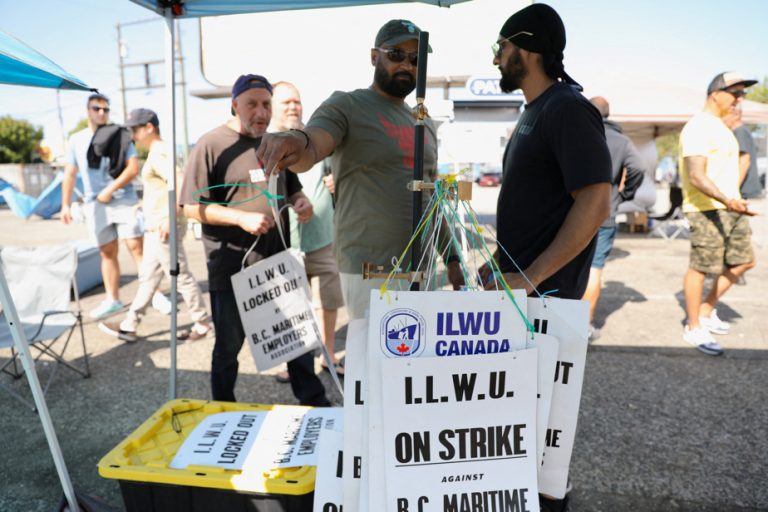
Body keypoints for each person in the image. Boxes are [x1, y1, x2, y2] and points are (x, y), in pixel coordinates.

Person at [481, 5, 612, 511]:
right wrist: (500, 265)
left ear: (527, 49)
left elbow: (595, 201)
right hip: (526, 298)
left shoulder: (566, 108)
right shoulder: (535, 110)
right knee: (517, 430)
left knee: (540, 440)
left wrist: (531, 277)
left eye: (501, 47)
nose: (496, 57)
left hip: (548, 301)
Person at [256, 19, 464, 320]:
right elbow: (313, 146)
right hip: (371, 272)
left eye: (416, 59)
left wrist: (453, 257)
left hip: (422, 269)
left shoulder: (424, 121)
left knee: (412, 364)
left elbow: (432, 195)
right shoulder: (347, 105)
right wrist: (295, 141)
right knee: (373, 362)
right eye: (395, 54)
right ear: (374, 56)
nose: (406, 64)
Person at [179, 74, 330, 406]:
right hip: (232, 267)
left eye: (266, 104)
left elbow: (292, 188)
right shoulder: (212, 143)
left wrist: (300, 201)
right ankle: (223, 408)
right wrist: (240, 217)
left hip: (278, 263)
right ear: (234, 104)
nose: (261, 112)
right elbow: (190, 208)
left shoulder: (273, 142)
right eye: (252, 104)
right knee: (228, 348)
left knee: (297, 340)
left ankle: (315, 404)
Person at [98, 109, 211, 344]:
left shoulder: (160, 151)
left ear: (149, 127)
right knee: (149, 277)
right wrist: (145, 206)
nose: (133, 135)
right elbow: (162, 189)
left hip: (163, 227)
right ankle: (130, 324)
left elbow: (179, 182)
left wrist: (170, 217)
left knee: (180, 275)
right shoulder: (159, 151)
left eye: (135, 130)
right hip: (158, 225)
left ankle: (201, 322)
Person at [269, 82, 345, 382]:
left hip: (323, 238)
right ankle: (290, 359)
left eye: (297, 102)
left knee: (329, 301)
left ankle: (327, 353)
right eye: (286, 102)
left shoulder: (316, 139)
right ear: (273, 105)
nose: (293, 107)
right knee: (291, 304)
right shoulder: (267, 142)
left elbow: (336, 171)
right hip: (287, 242)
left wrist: (336, 182)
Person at [679, 72, 757, 356]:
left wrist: (734, 198)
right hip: (707, 208)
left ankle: (706, 309)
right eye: (735, 93)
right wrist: (726, 199)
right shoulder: (699, 126)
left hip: (730, 206)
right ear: (715, 93)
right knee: (700, 267)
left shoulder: (722, 127)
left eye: (743, 94)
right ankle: (693, 325)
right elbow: (696, 176)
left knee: (744, 262)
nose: (740, 99)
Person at [60, 93, 146, 319]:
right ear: (88, 110)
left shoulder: (120, 134)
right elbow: (70, 173)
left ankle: (153, 294)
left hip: (123, 198)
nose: (101, 113)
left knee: (136, 247)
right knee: (107, 252)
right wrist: (65, 205)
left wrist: (110, 189)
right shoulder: (76, 139)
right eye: (97, 108)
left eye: (105, 109)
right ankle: (113, 299)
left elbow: (133, 168)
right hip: (95, 203)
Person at [581, 96, 646, 341]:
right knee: (594, 269)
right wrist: (622, 195)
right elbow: (638, 168)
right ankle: (584, 325)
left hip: (571, 213)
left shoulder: (578, 135)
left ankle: (562, 322)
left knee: (568, 267)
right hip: (604, 213)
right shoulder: (621, 140)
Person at [729, 105, 763, 199]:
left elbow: (744, 161)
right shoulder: (741, 131)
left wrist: (733, 189)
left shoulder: (740, 132)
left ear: (735, 115)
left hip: (744, 190)